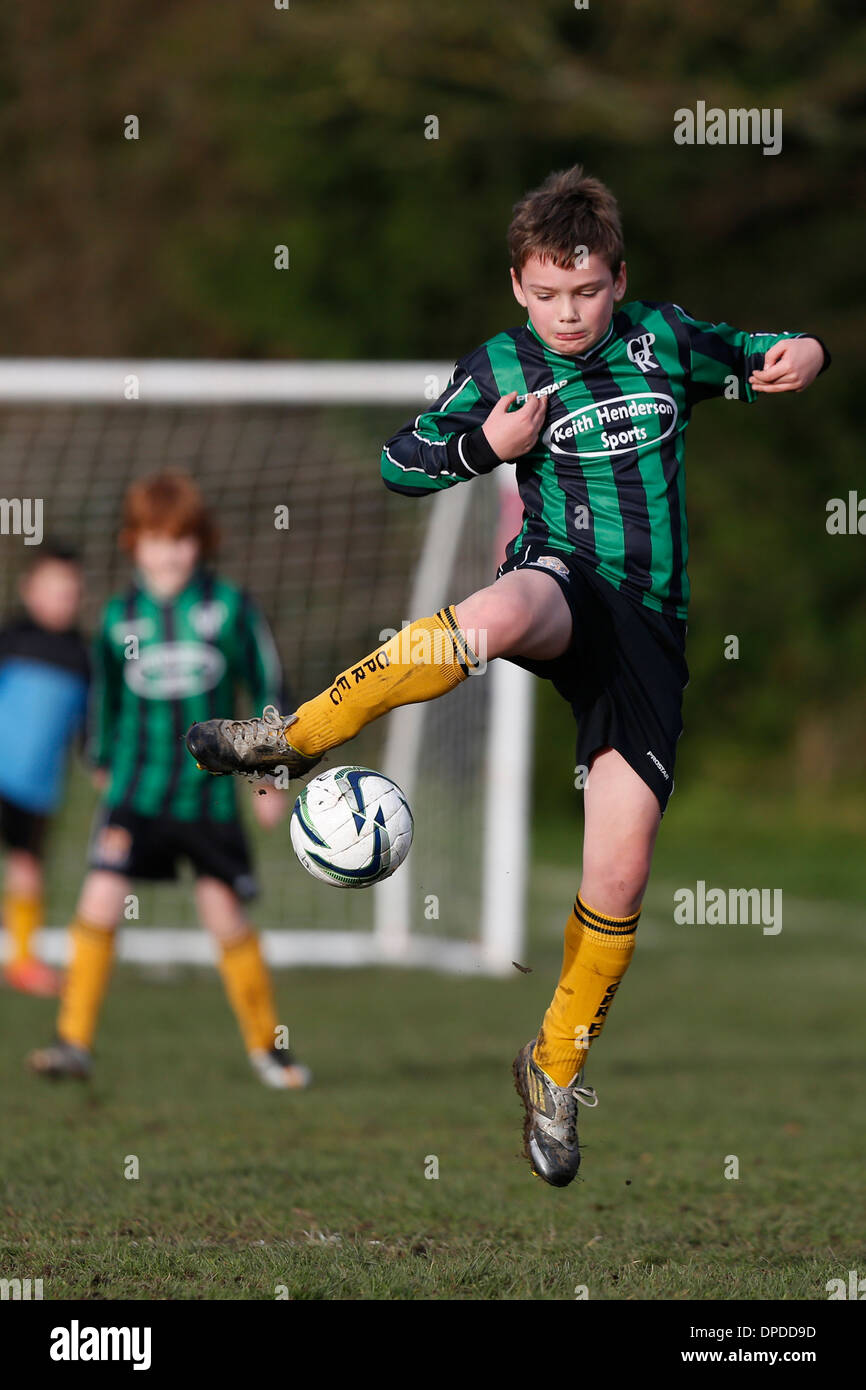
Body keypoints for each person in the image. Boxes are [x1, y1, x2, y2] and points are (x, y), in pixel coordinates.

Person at [184, 166, 829, 1184]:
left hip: (649, 634)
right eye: (547, 295)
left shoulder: (661, 338)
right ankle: (294, 735)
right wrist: (484, 443)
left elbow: (761, 354)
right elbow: (401, 461)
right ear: (517, 290)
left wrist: (806, 352)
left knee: (618, 872)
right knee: (492, 613)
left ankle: (551, 1068)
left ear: (617, 278)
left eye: (586, 291)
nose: (569, 313)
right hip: (562, 581)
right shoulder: (497, 365)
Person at [29, 471, 310, 1089]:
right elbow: (102, 698)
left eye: (182, 539)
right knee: (99, 898)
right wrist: (101, 761)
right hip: (136, 792)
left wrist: (269, 776)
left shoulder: (229, 607)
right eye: (157, 539)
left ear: (200, 541)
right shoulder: (117, 619)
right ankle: (72, 1042)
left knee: (224, 914)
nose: (170, 552)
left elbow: (265, 685)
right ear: (135, 543)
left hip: (206, 796)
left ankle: (270, 1049)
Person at [0, 545, 89, 996]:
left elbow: (88, 728)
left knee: (27, 867)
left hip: (37, 788)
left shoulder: (83, 657)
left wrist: (99, 765)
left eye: (71, 592)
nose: (62, 600)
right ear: (29, 590)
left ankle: (22, 961)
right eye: (53, 590)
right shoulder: (10, 639)